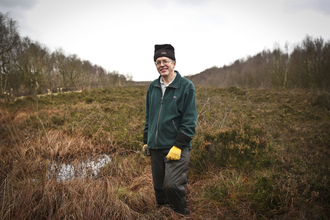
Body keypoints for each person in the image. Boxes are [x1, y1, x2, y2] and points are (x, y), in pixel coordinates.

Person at [142, 44, 197, 215]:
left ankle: (182, 216)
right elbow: (149, 117)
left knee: (172, 186)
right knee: (159, 190)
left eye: (165, 61)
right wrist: (146, 141)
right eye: (158, 62)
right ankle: (164, 215)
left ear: (174, 63)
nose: (161, 65)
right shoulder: (153, 87)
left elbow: (189, 121)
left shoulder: (186, 86)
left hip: (176, 147)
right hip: (156, 147)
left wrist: (178, 146)